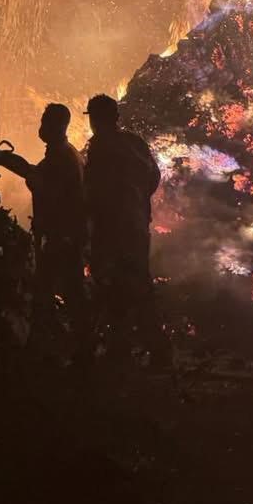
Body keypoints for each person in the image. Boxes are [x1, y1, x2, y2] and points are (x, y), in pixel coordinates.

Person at [0, 104, 90, 359]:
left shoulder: (61, 157)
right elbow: (31, 169)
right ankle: (66, 349)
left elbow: (37, 178)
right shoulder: (64, 153)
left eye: (44, 121)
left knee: (52, 296)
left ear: (55, 125)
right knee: (64, 295)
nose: (40, 126)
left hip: (58, 238)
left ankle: (56, 353)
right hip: (65, 237)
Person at [83, 93, 170, 368]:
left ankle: (121, 348)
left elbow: (93, 190)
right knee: (138, 284)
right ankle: (154, 349)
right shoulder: (135, 143)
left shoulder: (99, 147)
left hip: (111, 229)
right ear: (116, 117)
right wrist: (138, 203)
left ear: (95, 120)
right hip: (136, 225)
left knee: (112, 285)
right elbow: (154, 177)